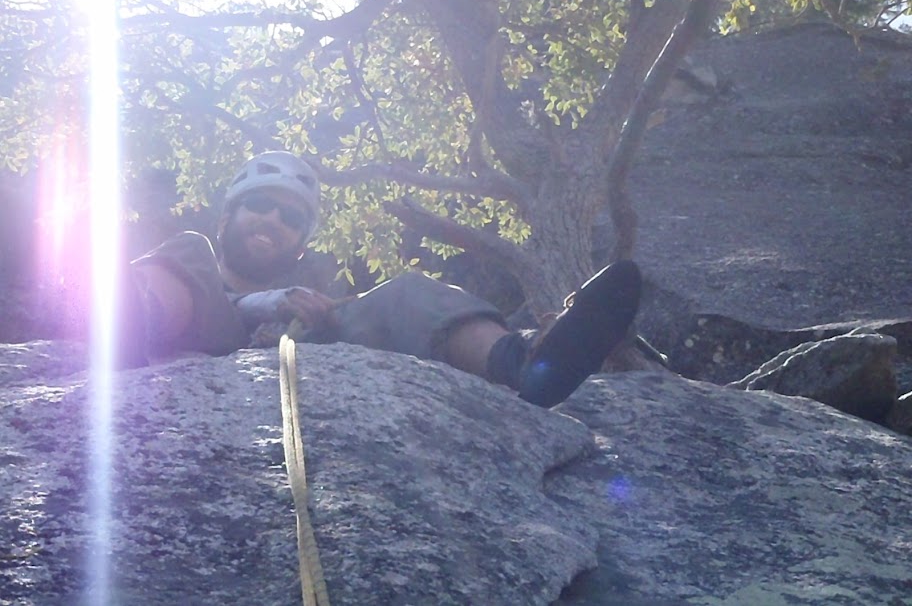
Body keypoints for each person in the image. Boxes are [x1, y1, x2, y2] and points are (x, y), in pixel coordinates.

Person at [117, 151, 641, 408]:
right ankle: (127, 316)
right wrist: (268, 303)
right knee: (189, 249)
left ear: (300, 246)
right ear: (227, 218)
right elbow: (224, 303)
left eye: (291, 217)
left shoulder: (309, 309)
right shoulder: (194, 262)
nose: (273, 219)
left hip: (295, 363)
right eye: (258, 204)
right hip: (186, 333)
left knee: (404, 292)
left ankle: (522, 362)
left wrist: (315, 316)